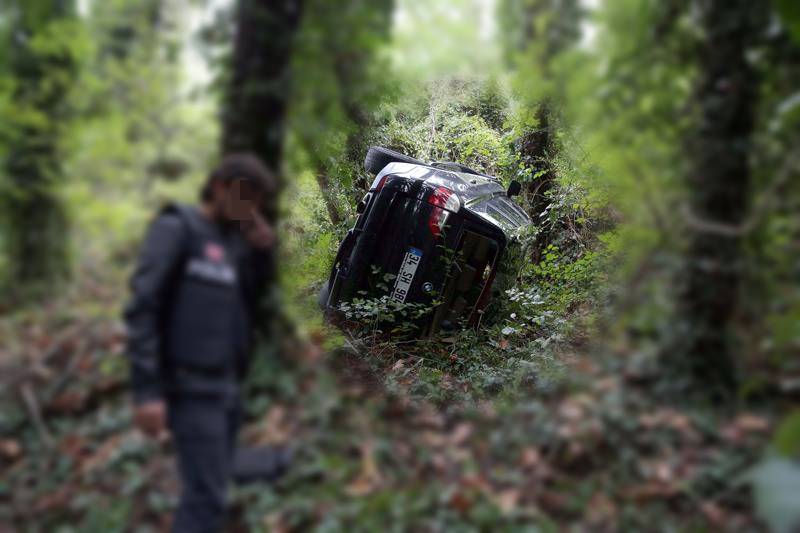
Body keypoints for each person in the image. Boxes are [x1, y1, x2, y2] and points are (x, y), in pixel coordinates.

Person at [123, 153, 278, 533]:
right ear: (220, 187)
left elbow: (251, 302)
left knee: (213, 485)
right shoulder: (177, 228)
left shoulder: (234, 242)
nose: (252, 208)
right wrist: (147, 392)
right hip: (188, 385)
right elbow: (143, 307)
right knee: (206, 496)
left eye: (258, 201)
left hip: (225, 385)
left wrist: (262, 251)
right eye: (246, 197)